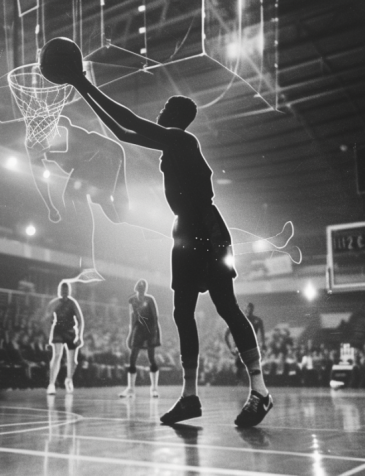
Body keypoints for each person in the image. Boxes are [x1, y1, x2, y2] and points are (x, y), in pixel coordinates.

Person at [67, 65, 272, 427]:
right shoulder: (171, 144)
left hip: (206, 228)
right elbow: (121, 131)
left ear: (174, 116)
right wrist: (80, 88)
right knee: (182, 314)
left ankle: (260, 390)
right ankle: (189, 397)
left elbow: (128, 120)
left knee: (228, 308)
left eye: (164, 109)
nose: (158, 112)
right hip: (186, 231)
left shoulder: (181, 139)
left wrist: (83, 81)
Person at [120, 279, 162, 398]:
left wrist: (154, 333)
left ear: (145, 290)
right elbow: (132, 317)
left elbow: (155, 317)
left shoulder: (150, 300)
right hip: (138, 329)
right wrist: (130, 334)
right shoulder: (132, 300)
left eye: (143, 289)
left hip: (150, 328)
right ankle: (130, 389)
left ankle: (154, 388)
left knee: (151, 357)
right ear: (136, 288)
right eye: (140, 288)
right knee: (132, 357)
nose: (141, 291)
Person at [44, 281, 85, 395]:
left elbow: (81, 321)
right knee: (57, 355)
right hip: (58, 330)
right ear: (59, 291)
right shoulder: (54, 303)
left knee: (73, 360)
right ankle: (51, 384)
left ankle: (69, 379)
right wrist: (48, 336)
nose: (64, 293)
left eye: (66, 291)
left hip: (71, 331)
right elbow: (47, 319)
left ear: (69, 291)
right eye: (62, 291)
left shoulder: (73, 303)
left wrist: (79, 336)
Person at [225, 303, 265, 384]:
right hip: (241, 346)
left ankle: (251, 382)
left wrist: (263, 344)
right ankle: (240, 381)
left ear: (253, 309)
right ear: (245, 309)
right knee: (240, 365)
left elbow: (262, 333)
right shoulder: (237, 319)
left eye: (251, 308)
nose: (249, 309)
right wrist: (230, 348)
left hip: (252, 345)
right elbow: (226, 334)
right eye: (247, 308)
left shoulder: (257, 320)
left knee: (252, 365)